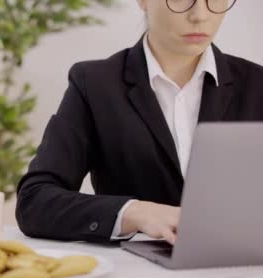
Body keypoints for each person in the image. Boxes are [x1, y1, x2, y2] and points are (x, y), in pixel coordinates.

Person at [16, 0, 263, 245]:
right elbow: (35, 201)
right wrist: (135, 213)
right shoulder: (94, 85)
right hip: (136, 277)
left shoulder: (257, 85)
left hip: (242, 273)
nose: (200, 15)